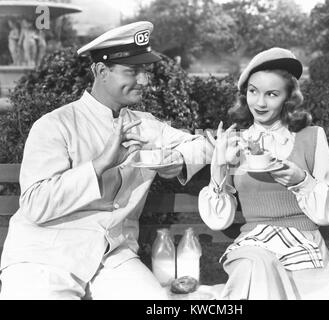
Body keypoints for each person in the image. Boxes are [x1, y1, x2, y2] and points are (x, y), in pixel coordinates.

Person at [0, 21, 212, 300]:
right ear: (101, 71)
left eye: (144, 72)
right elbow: (36, 204)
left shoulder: (145, 126)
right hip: (45, 258)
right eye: (132, 72)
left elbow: (206, 145)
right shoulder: (55, 125)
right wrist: (99, 164)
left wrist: (179, 159)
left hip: (113, 258)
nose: (144, 81)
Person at [199, 47, 329, 300]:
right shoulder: (235, 142)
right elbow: (218, 221)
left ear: (288, 98)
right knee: (254, 265)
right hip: (254, 243)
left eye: (272, 94)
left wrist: (302, 182)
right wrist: (218, 167)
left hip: (302, 244)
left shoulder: (311, 137)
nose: (259, 103)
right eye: (253, 91)